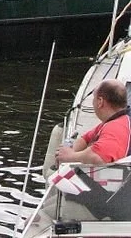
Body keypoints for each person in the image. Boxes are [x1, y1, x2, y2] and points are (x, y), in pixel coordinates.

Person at [53, 80, 131, 219]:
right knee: (52, 202)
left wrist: (71, 156)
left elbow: (98, 156)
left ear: (100, 101)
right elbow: (86, 138)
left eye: (94, 99)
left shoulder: (117, 128)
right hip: (102, 196)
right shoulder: (114, 121)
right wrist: (67, 152)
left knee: (42, 217)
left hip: (106, 204)